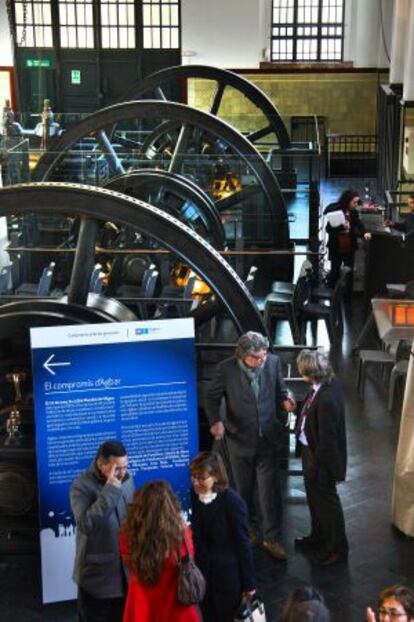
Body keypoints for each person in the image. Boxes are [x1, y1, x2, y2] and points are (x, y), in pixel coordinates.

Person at [205, 331, 296, 561]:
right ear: (242, 355)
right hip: (239, 440)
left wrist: (286, 400)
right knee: (242, 491)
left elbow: (281, 390)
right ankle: (249, 528)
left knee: (269, 493)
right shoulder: (226, 370)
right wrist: (216, 420)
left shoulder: (273, 362)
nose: (261, 360)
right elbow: (211, 397)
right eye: (256, 357)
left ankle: (272, 538)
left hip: (268, 438)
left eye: (264, 354)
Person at [70, 440, 135, 622]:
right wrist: (111, 490)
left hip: (126, 576)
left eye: (125, 467)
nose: (122, 473)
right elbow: (86, 525)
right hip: (97, 580)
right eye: (117, 468)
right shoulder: (80, 486)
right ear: (101, 464)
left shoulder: (128, 479)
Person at [294, 349, 348, 566]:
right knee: (314, 502)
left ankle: (336, 548)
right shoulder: (322, 386)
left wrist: (316, 466)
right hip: (312, 453)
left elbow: (327, 441)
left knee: (327, 506)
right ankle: (318, 538)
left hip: (321, 460)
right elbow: (310, 412)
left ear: (311, 373)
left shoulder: (327, 399)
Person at [119, 481, 201, 622]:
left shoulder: (127, 535)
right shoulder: (182, 535)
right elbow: (189, 556)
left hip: (141, 602)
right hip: (175, 605)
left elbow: (128, 561)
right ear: (170, 505)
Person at [190, 451, 256, 622]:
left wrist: (249, 584)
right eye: (194, 477)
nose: (196, 482)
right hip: (204, 575)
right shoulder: (195, 495)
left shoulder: (232, 502)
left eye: (202, 478)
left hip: (227, 578)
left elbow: (243, 545)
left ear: (216, 476)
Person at [324, 189, 371, 292]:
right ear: (347, 201)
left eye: (357, 202)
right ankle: (333, 295)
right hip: (336, 247)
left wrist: (364, 232)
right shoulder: (336, 211)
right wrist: (341, 226)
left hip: (349, 247)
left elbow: (359, 223)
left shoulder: (353, 213)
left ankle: (347, 296)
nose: (356, 204)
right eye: (354, 202)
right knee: (335, 271)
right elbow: (328, 229)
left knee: (349, 273)